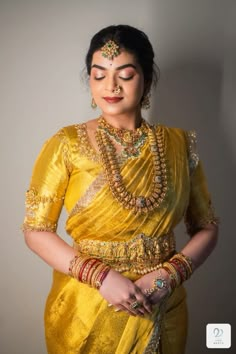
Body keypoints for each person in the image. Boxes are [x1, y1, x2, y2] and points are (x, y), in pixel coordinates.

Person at [22, 24, 219, 354]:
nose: (110, 86)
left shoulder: (179, 145)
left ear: (147, 79)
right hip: (88, 305)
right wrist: (101, 277)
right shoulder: (67, 145)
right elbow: (36, 230)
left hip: (163, 302)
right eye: (99, 75)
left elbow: (207, 227)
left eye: (125, 75)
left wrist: (167, 277)